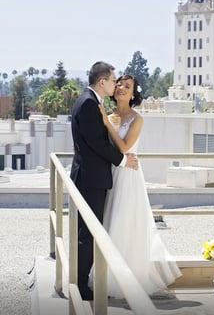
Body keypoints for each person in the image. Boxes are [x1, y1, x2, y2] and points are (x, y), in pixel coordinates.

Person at [89, 74, 182, 298]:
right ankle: (107, 275)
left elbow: (124, 147)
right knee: (109, 224)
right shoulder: (108, 115)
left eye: (127, 86)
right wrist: (105, 120)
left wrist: (105, 123)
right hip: (110, 175)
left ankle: (126, 280)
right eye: (119, 83)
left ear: (133, 94)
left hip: (128, 178)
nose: (121, 87)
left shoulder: (136, 119)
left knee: (125, 225)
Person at [70, 62, 138, 301]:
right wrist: (122, 161)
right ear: (102, 82)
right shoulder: (89, 104)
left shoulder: (89, 101)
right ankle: (79, 286)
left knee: (87, 231)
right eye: (113, 80)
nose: (115, 84)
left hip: (90, 177)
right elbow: (97, 145)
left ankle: (79, 281)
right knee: (88, 233)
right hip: (91, 179)